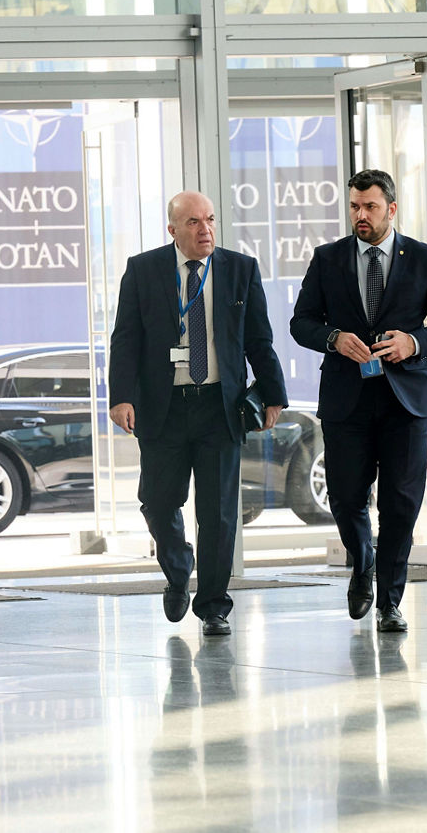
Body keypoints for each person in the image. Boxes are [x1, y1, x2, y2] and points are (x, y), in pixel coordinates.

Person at [290, 170, 427, 634]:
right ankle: (363, 561)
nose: (360, 215)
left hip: (404, 402)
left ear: (391, 208)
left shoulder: (424, 258)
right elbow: (301, 322)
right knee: (347, 499)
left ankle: (389, 601)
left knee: (400, 506)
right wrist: (333, 338)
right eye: (354, 206)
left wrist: (414, 342)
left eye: (369, 207)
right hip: (347, 402)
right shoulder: (328, 259)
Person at [108, 190, 287, 636]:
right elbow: (125, 339)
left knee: (220, 512)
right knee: (158, 501)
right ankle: (177, 567)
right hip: (163, 407)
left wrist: (273, 394)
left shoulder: (239, 269)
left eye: (209, 220)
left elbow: (258, 339)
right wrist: (120, 397)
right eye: (192, 222)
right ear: (173, 230)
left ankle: (213, 606)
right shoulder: (143, 270)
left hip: (217, 407)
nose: (204, 229)